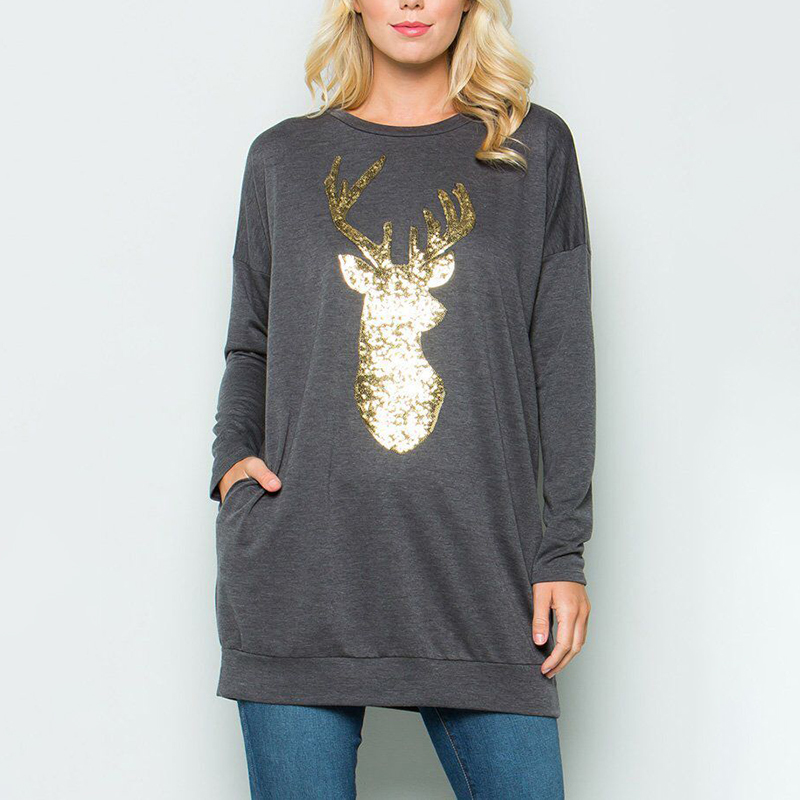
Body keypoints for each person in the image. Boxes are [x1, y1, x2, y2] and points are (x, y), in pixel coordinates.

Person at [209, 1, 595, 797]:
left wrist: (562, 547)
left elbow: (562, 361)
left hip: (480, 572)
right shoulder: (283, 158)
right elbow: (252, 341)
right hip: (299, 573)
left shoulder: (533, 150)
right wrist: (231, 461)